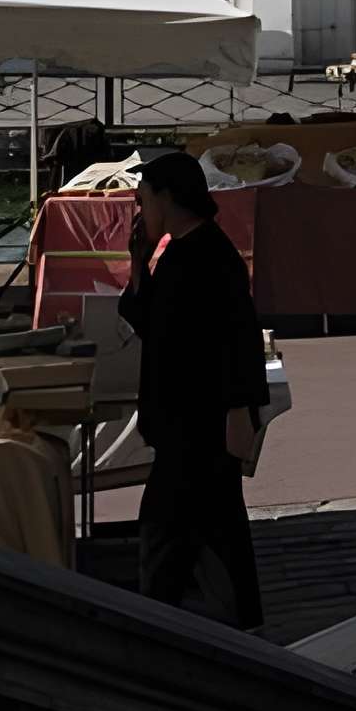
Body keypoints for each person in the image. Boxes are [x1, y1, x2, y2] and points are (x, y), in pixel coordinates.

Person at [120, 151, 269, 627]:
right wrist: (139, 263)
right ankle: (237, 621)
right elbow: (149, 322)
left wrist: (239, 410)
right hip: (182, 423)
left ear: (167, 197)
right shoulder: (179, 253)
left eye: (144, 201)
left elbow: (238, 338)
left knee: (167, 532)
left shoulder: (210, 255)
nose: (141, 211)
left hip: (199, 424)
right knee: (216, 528)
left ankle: (158, 626)